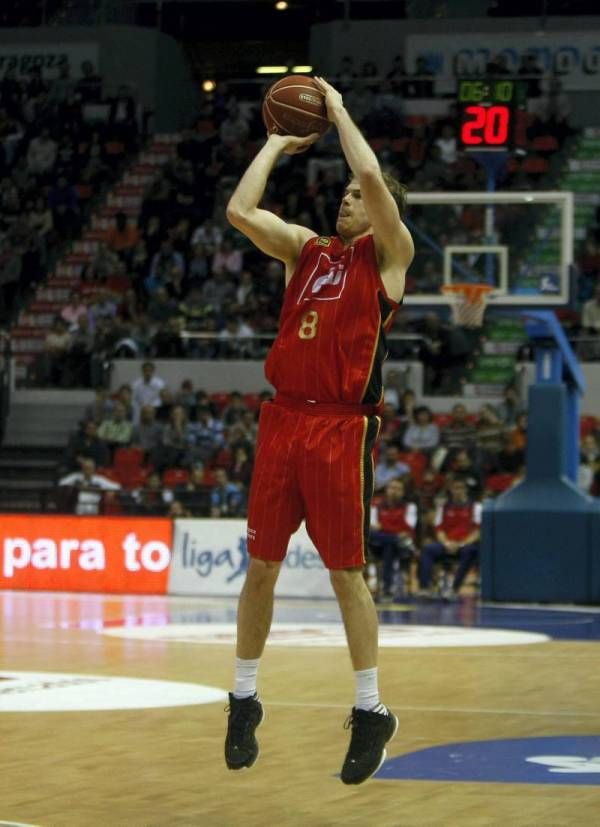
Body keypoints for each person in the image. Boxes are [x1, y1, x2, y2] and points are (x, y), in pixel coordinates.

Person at [223, 75, 414, 785]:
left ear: (385, 208)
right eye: (344, 194)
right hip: (283, 423)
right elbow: (241, 208)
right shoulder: (305, 249)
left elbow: (367, 168)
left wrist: (335, 110)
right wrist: (276, 141)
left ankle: (370, 710)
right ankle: (243, 697)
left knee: (346, 576)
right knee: (262, 567)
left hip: (341, 428)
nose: (347, 197)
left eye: (360, 197)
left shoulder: (391, 258)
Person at [418, 478, 480, 601]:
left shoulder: (475, 507)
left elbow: (477, 532)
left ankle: (454, 589)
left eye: (461, 488)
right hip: (447, 544)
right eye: (455, 488)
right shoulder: (444, 507)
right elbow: (439, 530)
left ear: (465, 490)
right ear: (451, 490)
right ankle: (425, 588)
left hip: (464, 545)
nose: (458, 491)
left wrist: (460, 544)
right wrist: (446, 543)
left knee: (471, 551)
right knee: (428, 549)